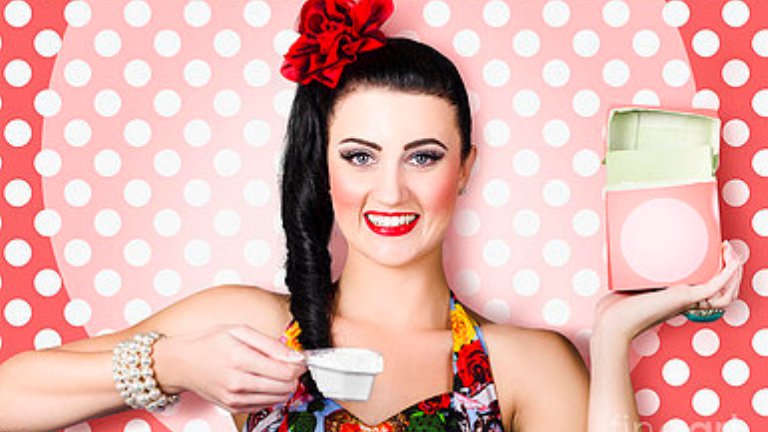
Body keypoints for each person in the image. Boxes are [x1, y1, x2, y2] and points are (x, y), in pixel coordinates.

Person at [0, 0, 744, 431]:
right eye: (359, 156)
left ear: (465, 169)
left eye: (423, 157)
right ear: (323, 168)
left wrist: (612, 335)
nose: (390, 192)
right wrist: (174, 363)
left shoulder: (524, 364)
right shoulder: (255, 328)